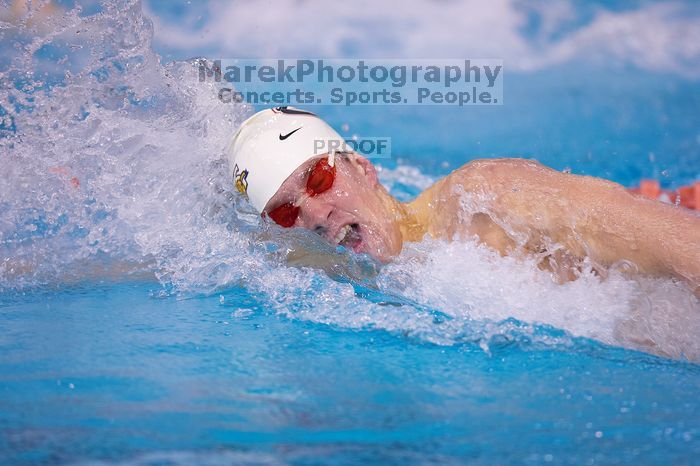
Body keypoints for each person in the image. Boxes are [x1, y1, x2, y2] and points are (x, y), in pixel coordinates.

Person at [226, 107, 700, 291]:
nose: (312, 214)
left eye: (319, 178)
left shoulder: (485, 200)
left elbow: (684, 245)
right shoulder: (323, 266)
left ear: (363, 167)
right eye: (286, 211)